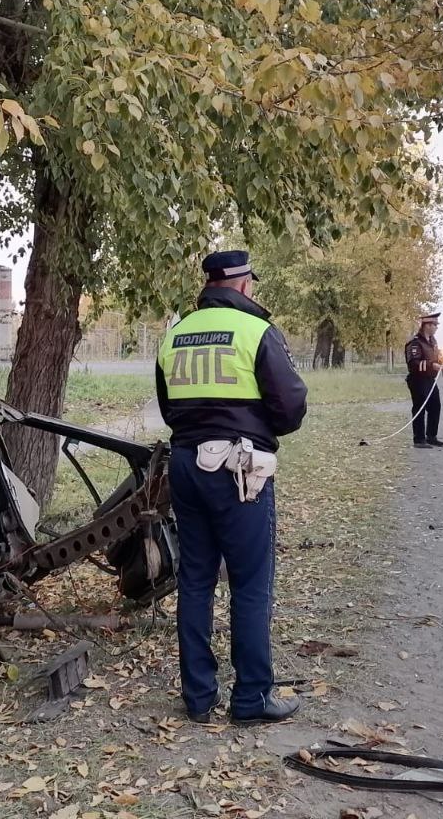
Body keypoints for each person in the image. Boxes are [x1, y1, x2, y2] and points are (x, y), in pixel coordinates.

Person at [156, 250, 308, 725]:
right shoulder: (257, 331)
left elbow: (168, 408)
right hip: (239, 470)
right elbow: (291, 406)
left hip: (185, 465)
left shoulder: (175, 334)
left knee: (195, 580)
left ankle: (198, 698)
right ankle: (251, 698)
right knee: (250, 582)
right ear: (242, 284)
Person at [405, 312, 443, 448]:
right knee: (419, 408)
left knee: (435, 406)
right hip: (418, 380)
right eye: (434, 325)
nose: (436, 327)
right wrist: (431, 365)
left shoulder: (433, 341)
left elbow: (435, 356)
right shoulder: (415, 343)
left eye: (436, 325)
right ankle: (419, 439)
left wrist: (441, 361)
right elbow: (413, 363)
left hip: (430, 379)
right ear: (426, 325)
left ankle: (431, 436)